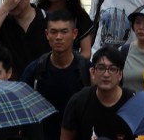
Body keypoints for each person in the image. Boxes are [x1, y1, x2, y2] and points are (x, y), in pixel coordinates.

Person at [21, 10, 92, 140]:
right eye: (54, 32)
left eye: (64, 32)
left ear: (74, 34)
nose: (59, 37)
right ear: (47, 34)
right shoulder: (34, 71)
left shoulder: (87, 70)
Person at [59, 46, 136, 140]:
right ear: (93, 72)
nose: (106, 74)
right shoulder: (78, 102)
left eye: (112, 69)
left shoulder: (133, 102)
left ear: (120, 74)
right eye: (101, 68)